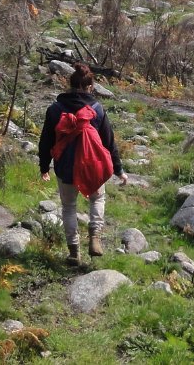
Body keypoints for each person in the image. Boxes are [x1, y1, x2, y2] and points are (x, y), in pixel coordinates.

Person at [39, 63, 126, 265]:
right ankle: (94, 237)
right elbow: (109, 142)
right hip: (92, 165)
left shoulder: (55, 110)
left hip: (66, 166)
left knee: (69, 207)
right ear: (90, 87)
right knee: (97, 199)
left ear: (69, 85)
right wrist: (119, 170)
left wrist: (44, 167)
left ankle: (74, 252)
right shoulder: (97, 109)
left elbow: (45, 142)